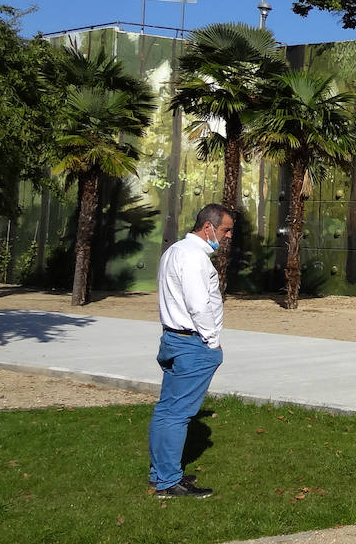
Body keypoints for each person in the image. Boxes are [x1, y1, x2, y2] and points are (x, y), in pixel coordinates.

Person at [147, 203, 233, 498]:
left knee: (167, 410)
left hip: (173, 338)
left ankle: (161, 474)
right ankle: (169, 482)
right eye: (226, 230)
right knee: (177, 414)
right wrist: (212, 342)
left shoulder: (174, 251)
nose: (228, 235)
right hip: (191, 342)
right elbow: (198, 304)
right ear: (208, 227)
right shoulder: (194, 257)